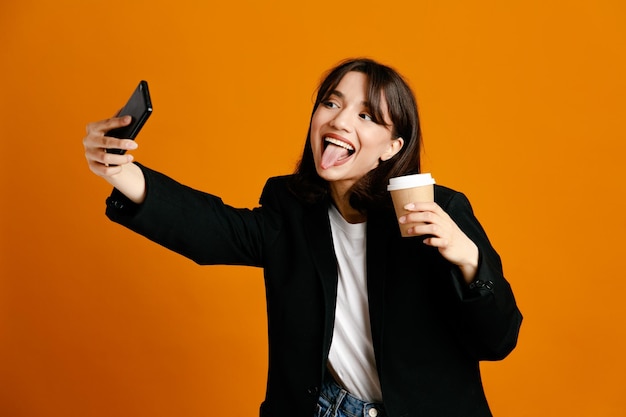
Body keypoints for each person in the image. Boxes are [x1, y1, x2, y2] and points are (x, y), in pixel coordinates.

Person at [83, 58, 522, 417]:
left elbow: (498, 340)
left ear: (391, 147)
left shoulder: (438, 211)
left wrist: (468, 259)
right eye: (331, 104)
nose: (340, 120)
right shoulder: (291, 208)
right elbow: (215, 230)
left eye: (366, 115)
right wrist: (122, 173)